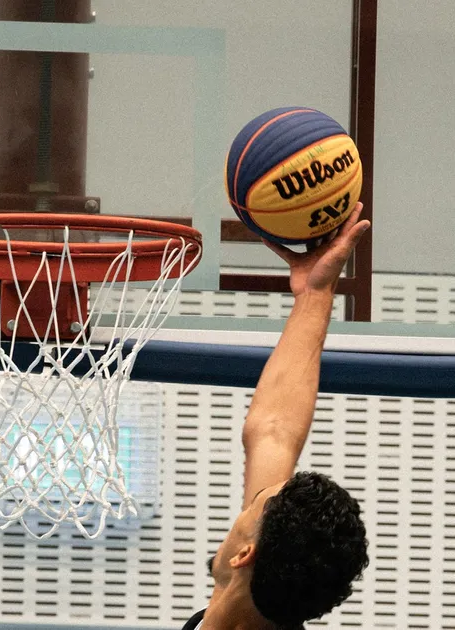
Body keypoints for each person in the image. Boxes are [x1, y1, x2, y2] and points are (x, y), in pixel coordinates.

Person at [182, 204, 372, 629]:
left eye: (254, 503)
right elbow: (274, 430)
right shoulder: (264, 586)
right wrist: (315, 294)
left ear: (244, 555)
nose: (253, 496)